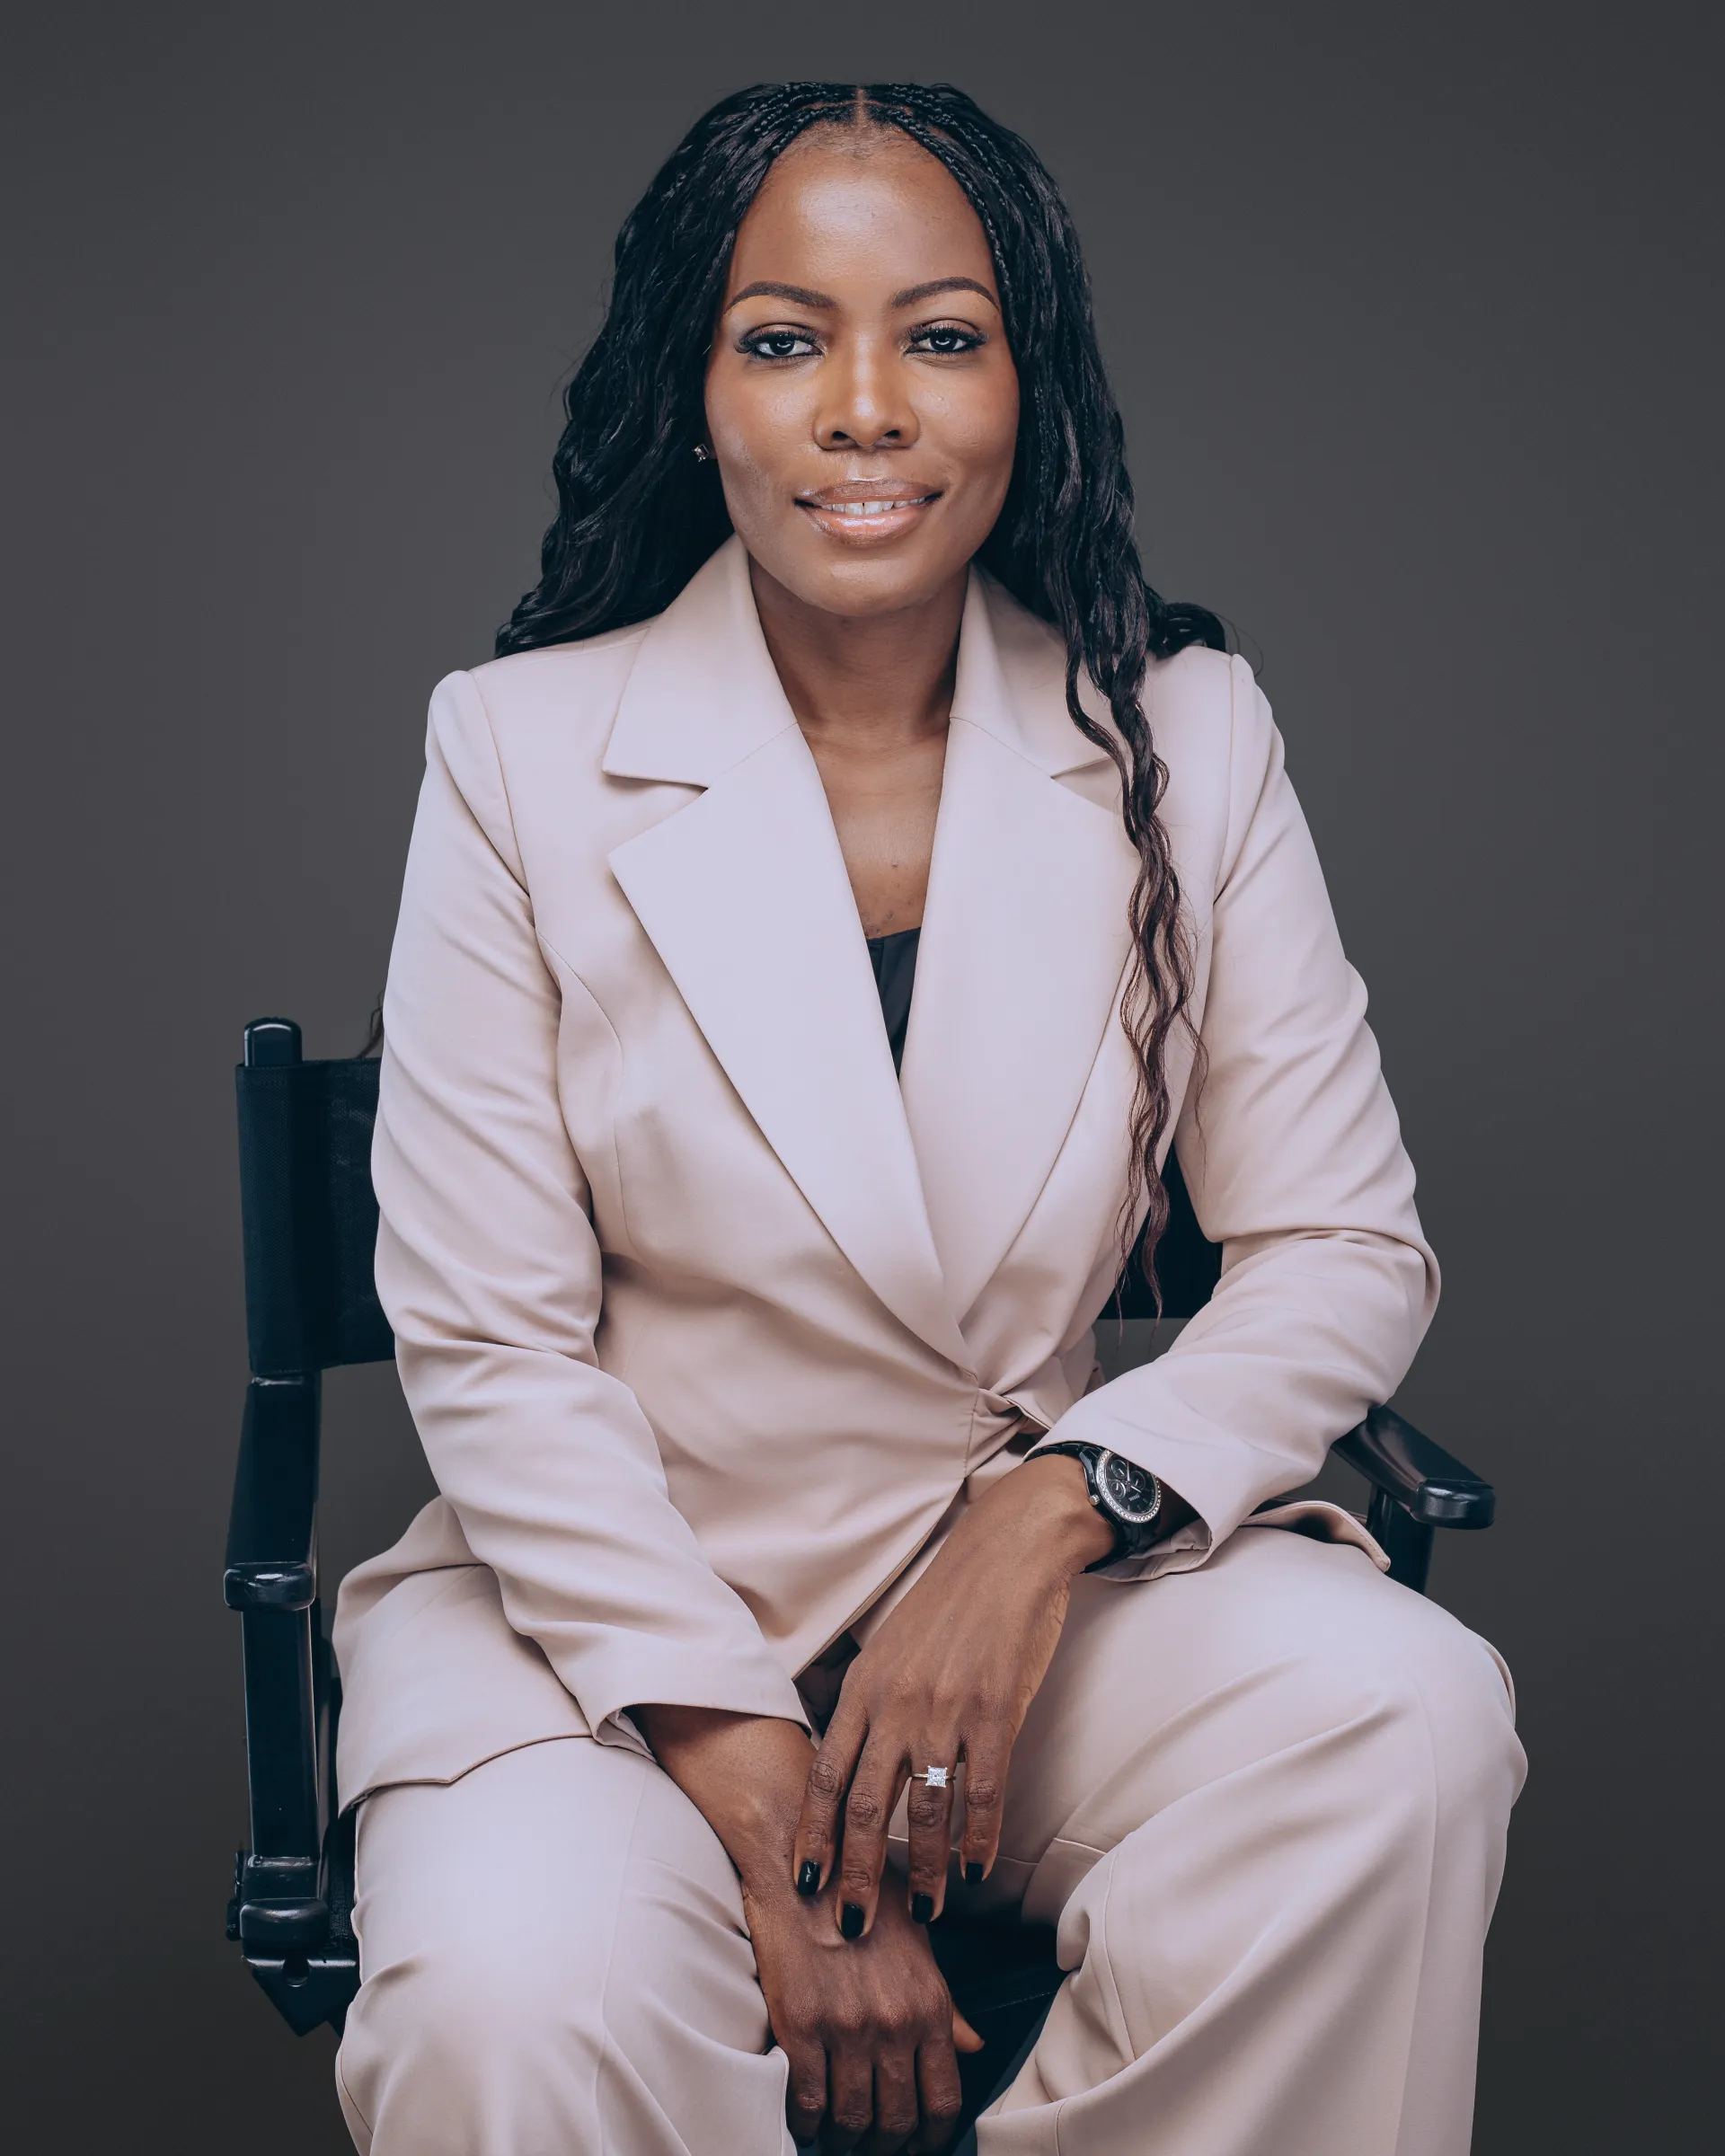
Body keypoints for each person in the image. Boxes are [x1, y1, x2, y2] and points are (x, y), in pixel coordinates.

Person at [330, 81, 1524, 2156]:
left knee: (1405, 1721)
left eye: (942, 336)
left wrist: (1051, 1514)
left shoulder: (1183, 733)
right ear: (695, 391)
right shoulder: (516, 751)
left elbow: (1340, 1246)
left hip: (1014, 1629)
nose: (867, 407)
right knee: (514, 1994)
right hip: (611, 1638)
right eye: (785, 338)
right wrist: (782, 1831)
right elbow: (492, 1346)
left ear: (1023, 387)